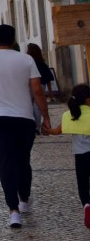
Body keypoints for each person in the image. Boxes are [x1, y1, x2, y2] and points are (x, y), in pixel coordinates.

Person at [0, 23, 52, 229]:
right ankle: (24, 199)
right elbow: (37, 91)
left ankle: (13, 211)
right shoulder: (26, 60)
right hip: (24, 119)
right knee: (23, 160)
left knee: (6, 163)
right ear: (14, 40)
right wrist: (46, 117)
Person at [44, 83, 90, 228]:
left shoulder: (70, 115)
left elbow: (57, 131)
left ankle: (87, 205)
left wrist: (47, 130)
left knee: (83, 185)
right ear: (87, 99)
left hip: (81, 156)